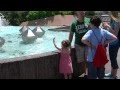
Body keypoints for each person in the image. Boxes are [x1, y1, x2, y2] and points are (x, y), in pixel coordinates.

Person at [69, 11, 90, 77]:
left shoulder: (88, 21)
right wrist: (69, 45)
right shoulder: (74, 23)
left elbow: (93, 30)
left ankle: (89, 73)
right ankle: (85, 73)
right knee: (81, 61)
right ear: (77, 14)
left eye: (83, 13)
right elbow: (71, 35)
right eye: (80, 13)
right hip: (78, 45)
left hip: (88, 44)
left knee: (89, 60)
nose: (82, 14)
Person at [103, 11, 120, 79]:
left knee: (113, 59)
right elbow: (110, 32)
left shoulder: (117, 21)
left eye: (110, 13)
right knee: (112, 58)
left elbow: (115, 33)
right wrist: (106, 28)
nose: (109, 14)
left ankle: (114, 75)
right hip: (112, 42)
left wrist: (108, 26)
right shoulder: (112, 20)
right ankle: (112, 73)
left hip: (115, 43)